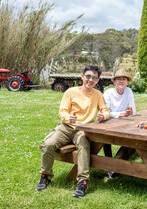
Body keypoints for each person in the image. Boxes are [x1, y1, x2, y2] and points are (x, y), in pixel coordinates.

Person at [36, 65, 110, 198]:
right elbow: (62, 111)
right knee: (48, 144)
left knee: (84, 146)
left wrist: (102, 116)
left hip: (83, 130)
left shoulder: (98, 94)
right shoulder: (70, 92)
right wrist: (68, 117)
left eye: (94, 78)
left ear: (97, 81)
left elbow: (105, 110)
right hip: (66, 127)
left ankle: (82, 182)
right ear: (82, 77)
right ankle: (45, 176)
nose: (90, 80)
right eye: (88, 76)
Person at [103, 69, 136, 178]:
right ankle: (109, 166)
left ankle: (118, 163)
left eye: (124, 79)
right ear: (114, 82)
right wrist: (121, 114)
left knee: (132, 139)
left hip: (123, 121)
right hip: (109, 121)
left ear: (127, 81)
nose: (121, 82)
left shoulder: (129, 91)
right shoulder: (108, 93)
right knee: (105, 138)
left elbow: (133, 111)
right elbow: (106, 112)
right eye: (118, 79)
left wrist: (128, 113)